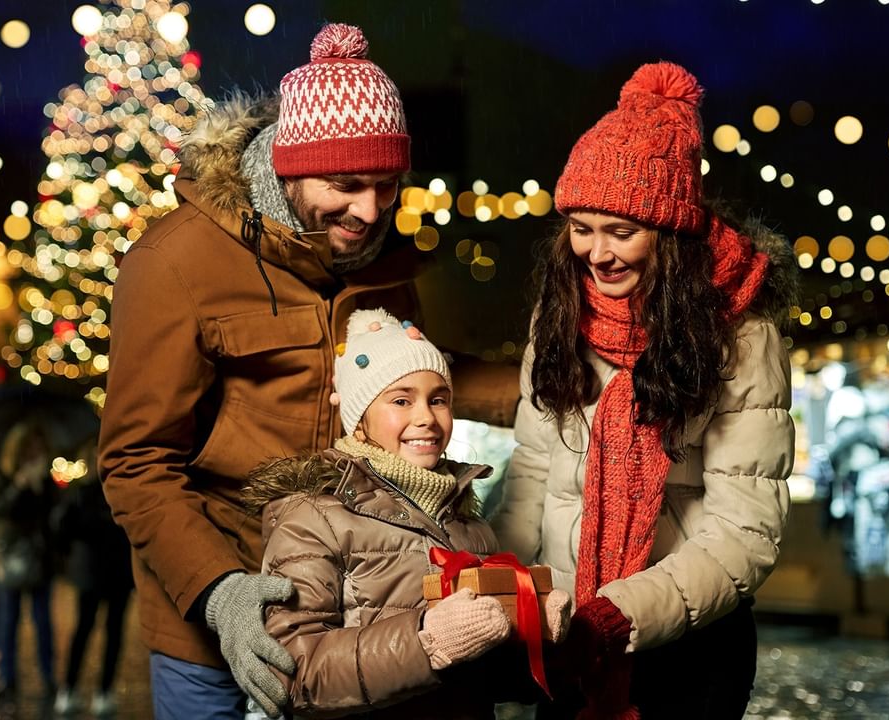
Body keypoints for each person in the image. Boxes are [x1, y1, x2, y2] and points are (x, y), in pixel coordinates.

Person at [99, 22, 445, 720]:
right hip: (213, 628)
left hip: (345, 619)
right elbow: (135, 462)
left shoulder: (378, 253)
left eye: (387, 184)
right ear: (287, 169)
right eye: (347, 184)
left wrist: (553, 377)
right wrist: (219, 590)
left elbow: (412, 377)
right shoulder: (174, 263)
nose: (370, 210)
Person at [489, 62, 797, 719]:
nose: (596, 253)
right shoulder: (560, 314)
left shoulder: (741, 335)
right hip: (568, 637)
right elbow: (532, 479)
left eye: (621, 231)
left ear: (669, 233)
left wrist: (619, 617)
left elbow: (746, 529)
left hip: (688, 645)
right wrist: (497, 584)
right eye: (581, 228)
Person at [244, 309, 570, 718]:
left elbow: (485, 679)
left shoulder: (469, 527)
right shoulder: (312, 518)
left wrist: (532, 634)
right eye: (401, 400)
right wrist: (424, 641)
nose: (426, 418)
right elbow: (293, 671)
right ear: (359, 420)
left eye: (439, 400)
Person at [52, 438, 134, 716]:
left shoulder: (121, 494)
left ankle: (100, 691)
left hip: (114, 573)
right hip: (95, 573)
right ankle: (73, 689)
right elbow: (64, 530)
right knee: (86, 631)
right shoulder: (84, 494)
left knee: (110, 634)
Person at [0, 421, 59, 701]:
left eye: (39, 448)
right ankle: (7, 677)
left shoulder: (46, 481)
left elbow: (55, 520)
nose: (35, 453)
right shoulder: (2, 477)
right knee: (8, 619)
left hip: (40, 560)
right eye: (30, 448)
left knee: (43, 621)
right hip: (11, 559)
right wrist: (18, 486)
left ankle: (49, 676)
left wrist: (41, 490)